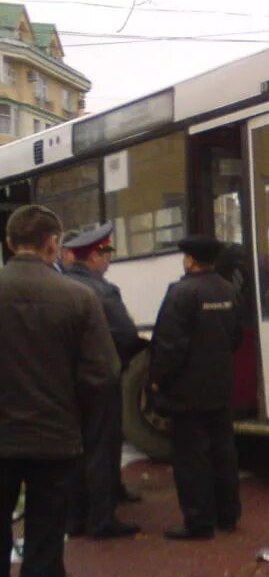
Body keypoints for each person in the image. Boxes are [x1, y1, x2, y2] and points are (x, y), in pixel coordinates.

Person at [0, 205, 119, 577]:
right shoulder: (77, 300)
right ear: (53, 243)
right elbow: (103, 375)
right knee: (45, 552)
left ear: (10, 244)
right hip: (55, 444)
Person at [149, 235, 242, 540]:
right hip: (220, 388)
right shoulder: (228, 290)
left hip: (187, 392)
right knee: (223, 453)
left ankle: (199, 522)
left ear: (189, 260)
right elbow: (235, 337)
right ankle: (227, 516)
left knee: (191, 459)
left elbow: (169, 345)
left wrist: (158, 379)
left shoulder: (181, 293)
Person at [63, 221, 145, 539]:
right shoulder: (103, 290)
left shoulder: (61, 285)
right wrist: (116, 363)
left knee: (76, 448)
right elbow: (125, 334)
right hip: (99, 381)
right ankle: (102, 519)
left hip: (68, 383)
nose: (109, 257)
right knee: (102, 448)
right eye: (107, 251)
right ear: (93, 256)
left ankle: (75, 517)